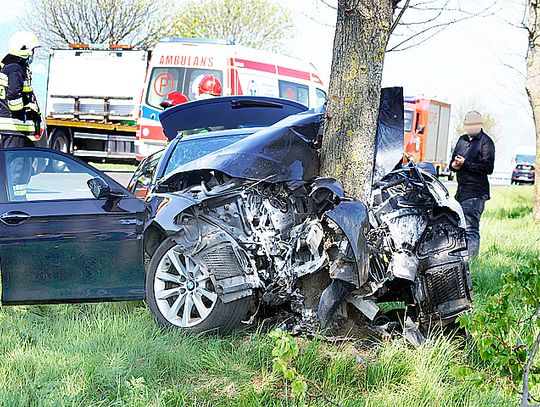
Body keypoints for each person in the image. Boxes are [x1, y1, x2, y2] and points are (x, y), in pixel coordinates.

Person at [450, 111, 495, 257]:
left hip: (476, 193)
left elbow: (488, 168)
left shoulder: (486, 142)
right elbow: (453, 161)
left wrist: (466, 164)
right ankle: (459, 259)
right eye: (467, 124)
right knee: (457, 227)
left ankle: (471, 261)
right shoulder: (461, 140)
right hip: (461, 192)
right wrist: (454, 166)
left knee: (471, 229)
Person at [0, 31, 42, 148]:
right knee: (15, 166)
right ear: (24, 49)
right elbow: (14, 99)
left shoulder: (11, 67)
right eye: (32, 50)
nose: (33, 54)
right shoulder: (15, 69)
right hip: (14, 129)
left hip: (14, 131)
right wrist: (27, 108)